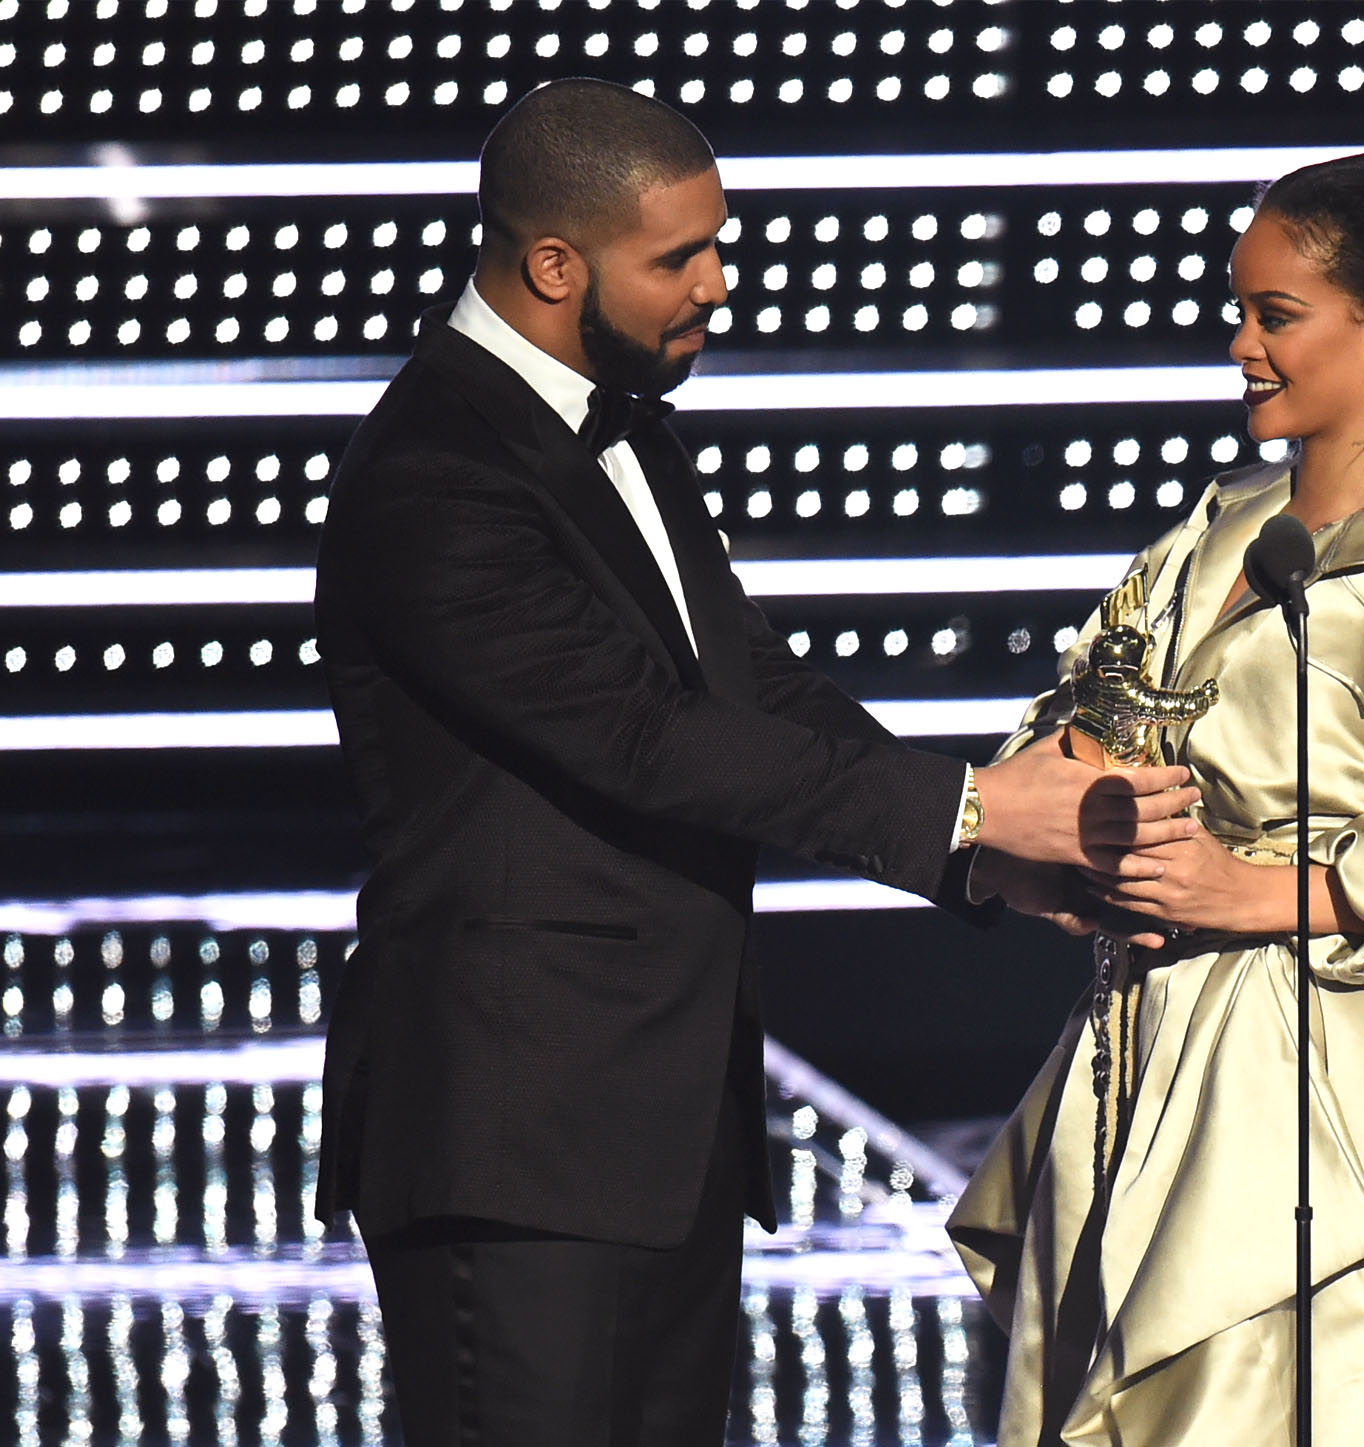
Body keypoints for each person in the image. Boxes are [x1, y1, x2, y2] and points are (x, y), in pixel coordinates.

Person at [312, 79, 1194, 1447]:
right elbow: (641, 736)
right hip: (519, 1139)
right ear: (554, 265)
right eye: (679, 258)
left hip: (652, 1136)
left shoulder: (618, 435)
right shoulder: (434, 473)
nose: (718, 286)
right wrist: (970, 804)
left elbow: (750, 689)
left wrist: (989, 848)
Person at [947, 151, 1364, 1447]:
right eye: (1239, 312)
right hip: (1135, 1043)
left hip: (1316, 1069)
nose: (1242, 347)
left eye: (1275, 316)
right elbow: (1066, 719)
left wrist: (1243, 888)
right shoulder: (1208, 538)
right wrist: (1075, 829)